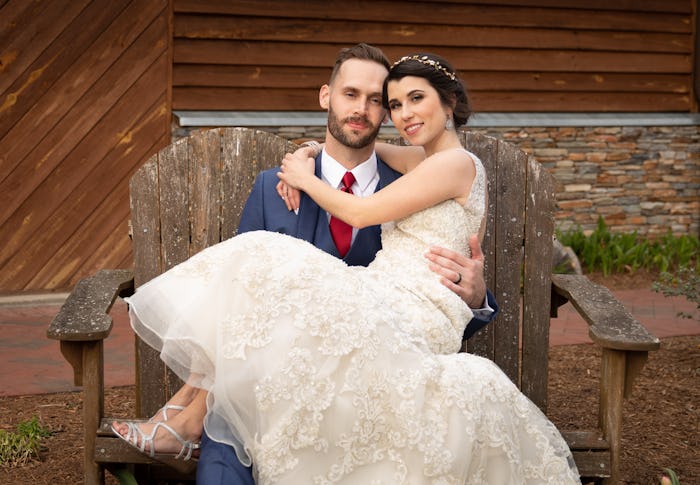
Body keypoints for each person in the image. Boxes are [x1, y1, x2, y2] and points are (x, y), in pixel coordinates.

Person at [111, 50, 579, 483]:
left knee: (266, 258)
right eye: (394, 103)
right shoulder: (414, 161)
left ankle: (181, 421)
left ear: (450, 101)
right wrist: (307, 155)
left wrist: (477, 298)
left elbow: (357, 213)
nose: (401, 113)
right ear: (326, 97)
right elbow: (237, 303)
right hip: (265, 386)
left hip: (399, 330)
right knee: (255, 265)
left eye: (394, 100)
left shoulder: (444, 167)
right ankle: (184, 419)